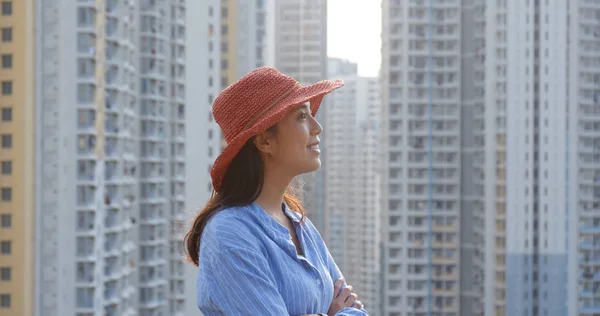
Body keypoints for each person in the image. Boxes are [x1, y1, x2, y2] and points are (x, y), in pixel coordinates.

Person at [184, 67, 369, 316]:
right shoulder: (229, 234)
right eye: (302, 116)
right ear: (265, 141)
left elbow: (356, 310)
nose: (317, 127)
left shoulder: (300, 225)